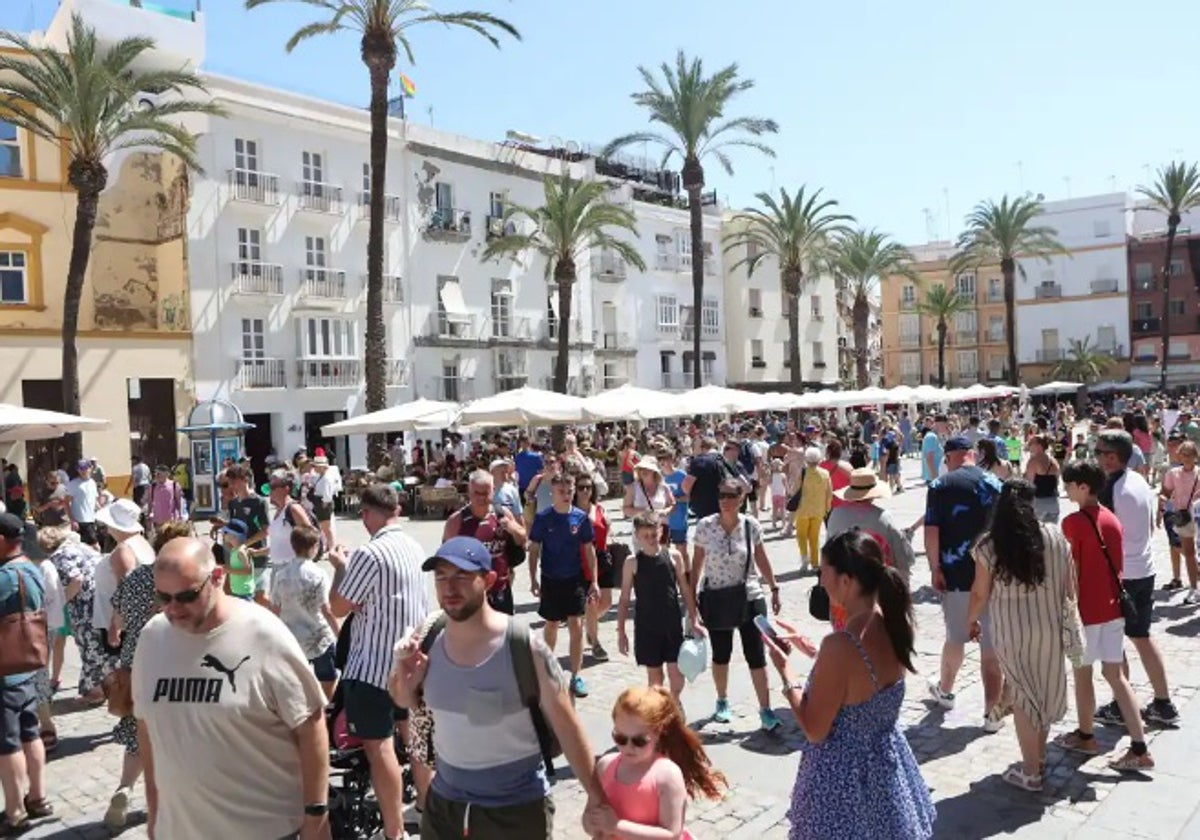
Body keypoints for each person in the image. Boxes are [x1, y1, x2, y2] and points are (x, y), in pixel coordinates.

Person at [389, 536, 604, 840]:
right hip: (445, 807)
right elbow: (404, 698)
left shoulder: (523, 646)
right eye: (441, 577)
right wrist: (404, 672)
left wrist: (597, 798)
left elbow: (568, 727)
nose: (449, 588)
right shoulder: (429, 638)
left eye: (462, 576)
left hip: (515, 811)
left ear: (489, 580)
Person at [132, 537, 331, 840]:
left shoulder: (263, 634)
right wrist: (155, 808)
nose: (173, 609)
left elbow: (311, 722)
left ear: (217, 577)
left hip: (265, 830)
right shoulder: (153, 637)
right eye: (163, 597)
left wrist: (316, 816)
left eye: (186, 596)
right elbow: (147, 728)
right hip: (181, 831)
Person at [763, 530, 935, 840]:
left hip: (842, 784)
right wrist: (812, 649)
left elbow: (815, 729)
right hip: (886, 776)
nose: (820, 581)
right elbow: (861, 677)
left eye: (824, 571)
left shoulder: (841, 646)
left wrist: (787, 674)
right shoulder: (890, 621)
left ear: (847, 580)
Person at [327, 483, 428, 840]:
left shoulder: (370, 555)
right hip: (409, 664)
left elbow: (337, 606)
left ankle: (394, 831)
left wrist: (340, 566)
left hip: (372, 667)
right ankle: (426, 812)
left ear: (368, 514)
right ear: (397, 510)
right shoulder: (414, 547)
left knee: (378, 745)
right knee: (414, 739)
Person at [967, 480, 1075, 791]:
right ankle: (1037, 758)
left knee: (1024, 697)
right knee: (1042, 692)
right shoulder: (1055, 536)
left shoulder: (989, 545)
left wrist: (970, 622)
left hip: (1012, 631)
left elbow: (979, 594)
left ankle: (1030, 772)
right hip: (1050, 626)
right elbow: (1070, 588)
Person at [1060, 460, 1155, 771]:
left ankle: (1086, 735)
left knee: (1083, 675)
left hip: (1086, 613)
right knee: (1116, 676)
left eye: (1069, 484)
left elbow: (1072, 574)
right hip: (1113, 609)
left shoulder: (1073, 523)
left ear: (1083, 487)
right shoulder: (1112, 519)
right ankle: (1140, 746)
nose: (1066, 489)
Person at [1093, 430, 1181, 727]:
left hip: (1120, 575)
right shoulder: (1139, 480)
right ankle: (1163, 702)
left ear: (1111, 457)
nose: (1095, 457)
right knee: (1142, 636)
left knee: (1114, 643)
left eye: (1099, 452)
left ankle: (1122, 704)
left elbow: (1102, 536)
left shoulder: (1111, 488)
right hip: (1144, 568)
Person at [923, 436, 1005, 728]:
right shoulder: (996, 483)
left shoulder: (940, 486)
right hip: (993, 575)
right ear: (972, 454)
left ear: (949, 457)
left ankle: (945, 690)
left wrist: (935, 568)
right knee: (991, 648)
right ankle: (991, 713)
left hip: (956, 574)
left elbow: (931, 532)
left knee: (956, 636)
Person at [691, 478, 784, 731]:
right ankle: (722, 701)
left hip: (750, 596)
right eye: (721, 495)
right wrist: (691, 607)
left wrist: (774, 587)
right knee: (721, 655)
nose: (725, 500)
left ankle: (765, 709)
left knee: (757, 654)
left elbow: (762, 558)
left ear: (741, 498)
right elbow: (696, 566)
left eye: (731, 495)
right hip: (717, 597)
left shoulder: (750, 525)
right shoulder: (705, 526)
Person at [588, 686, 726, 839]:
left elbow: (671, 834)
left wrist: (617, 826)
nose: (628, 747)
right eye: (620, 738)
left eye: (639, 741)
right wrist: (594, 824)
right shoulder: (605, 766)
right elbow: (588, 818)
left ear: (658, 732)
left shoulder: (666, 775)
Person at [96, 498, 156, 830]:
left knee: (137, 728)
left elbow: (116, 622)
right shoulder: (171, 580)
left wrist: (119, 633)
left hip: (135, 656)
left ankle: (124, 788)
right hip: (168, 656)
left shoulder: (132, 578)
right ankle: (162, 800)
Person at [617, 512, 705, 706]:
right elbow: (624, 599)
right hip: (647, 626)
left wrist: (694, 619)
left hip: (671, 623)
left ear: (660, 531)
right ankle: (660, 711)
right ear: (637, 535)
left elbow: (685, 590)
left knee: (677, 675)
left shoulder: (673, 557)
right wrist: (621, 631)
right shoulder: (632, 562)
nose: (650, 539)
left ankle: (674, 702)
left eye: (653, 534)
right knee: (655, 679)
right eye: (645, 535)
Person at [0, 512, 51, 834]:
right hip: (29, 663)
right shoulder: (32, 569)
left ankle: (16, 810)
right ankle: (39, 797)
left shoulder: (5, 575)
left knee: (8, 743)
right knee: (31, 733)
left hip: (5, 669)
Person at [528, 472, 599, 698]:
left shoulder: (580, 518)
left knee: (576, 626)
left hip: (574, 579)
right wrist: (532, 579)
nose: (566, 495)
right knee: (550, 625)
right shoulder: (543, 518)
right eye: (562, 492)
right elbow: (534, 549)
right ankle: (549, 671)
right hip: (550, 578)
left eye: (570, 491)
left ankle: (575, 675)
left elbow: (590, 550)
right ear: (553, 493)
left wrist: (594, 581)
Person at [271, 525, 339, 701]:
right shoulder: (319, 574)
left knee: (295, 679)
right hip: (318, 636)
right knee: (328, 678)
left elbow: (275, 608)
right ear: (314, 547)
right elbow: (326, 610)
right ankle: (325, 710)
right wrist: (339, 633)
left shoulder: (281, 575)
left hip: (292, 636)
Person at [443, 469, 525, 615]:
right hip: (469, 593)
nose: (481, 498)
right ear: (469, 492)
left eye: (485, 493)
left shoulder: (502, 515)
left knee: (503, 636)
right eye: (477, 493)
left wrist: (513, 529)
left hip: (500, 589)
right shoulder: (457, 521)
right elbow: (445, 561)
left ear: (493, 491)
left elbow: (523, 539)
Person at [42, 527, 109, 704]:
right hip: (102, 599)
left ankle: (96, 692)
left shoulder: (60, 555)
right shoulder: (81, 548)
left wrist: (62, 599)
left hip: (86, 606)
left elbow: (76, 579)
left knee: (89, 647)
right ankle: (101, 688)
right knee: (99, 647)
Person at [826, 468, 915, 586]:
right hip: (875, 584)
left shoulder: (836, 514)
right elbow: (900, 555)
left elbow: (828, 550)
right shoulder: (883, 517)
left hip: (843, 583)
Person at [575, 474, 613, 663]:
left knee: (606, 602)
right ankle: (595, 642)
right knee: (592, 602)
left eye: (588, 487)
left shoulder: (599, 509)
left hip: (602, 558)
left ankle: (588, 625)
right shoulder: (571, 512)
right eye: (581, 487)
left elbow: (606, 529)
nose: (585, 491)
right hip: (582, 561)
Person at [1158, 440, 1200, 605]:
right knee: (1189, 553)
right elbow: (1165, 492)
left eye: (1190, 455)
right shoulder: (1173, 473)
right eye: (1183, 454)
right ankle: (1194, 588)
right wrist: (1161, 501)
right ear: (1179, 455)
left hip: (1199, 517)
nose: (1187, 458)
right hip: (1183, 517)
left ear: (1195, 456)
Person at [792, 448, 833, 573]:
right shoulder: (825, 473)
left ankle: (805, 559)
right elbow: (829, 492)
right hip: (819, 510)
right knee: (814, 537)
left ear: (806, 459)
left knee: (801, 536)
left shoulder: (803, 473)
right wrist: (827, 508)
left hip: (803, 509)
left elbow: (795, 490)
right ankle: (815, 563)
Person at [659, 450, 691, 569]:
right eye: (661, 459)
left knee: (682, 551)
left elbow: (689, 496)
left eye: (666, 459)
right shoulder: (658, 477)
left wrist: (673, 500)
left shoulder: (681, 475)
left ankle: (687, 576)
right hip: (663, 521)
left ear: (672, 459)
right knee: (663, 552)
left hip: (679, 519)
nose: (664, 462)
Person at [682, 437, 723, 520]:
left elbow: (686, 487)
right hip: (726, 505)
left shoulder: (700, 461)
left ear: (702, 447)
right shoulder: (725, 460)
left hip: (706, 509)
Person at [1025, 435, 1061, 523]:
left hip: (1038, 502)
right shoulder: (1054, 461)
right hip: (1053, 501)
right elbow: (1057, 481)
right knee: (1052, 533)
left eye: (1031, 443)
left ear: (1039, 446)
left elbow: (1029, 483)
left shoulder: (1033, 461)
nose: (1028, 445)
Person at [220, 519, 257, 601]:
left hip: (244, 592)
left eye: (226, 532)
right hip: (238, 590)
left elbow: (248, 571)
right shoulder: (234, 550)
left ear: (234, 535)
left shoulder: (241, 552)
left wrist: (229, 570)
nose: (223, 535)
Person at [65, 460, 99, 547]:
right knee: (96, 547)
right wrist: (72, 520)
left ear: (90, 468)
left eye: (85, 468)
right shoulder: (73, 484)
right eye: (80, 468)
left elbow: (94, 501)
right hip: (80, 521)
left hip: (92, 519)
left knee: (84, 547)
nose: (83, 471)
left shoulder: (92, 483)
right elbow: (66, 503)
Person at [145, 465, 184, 535]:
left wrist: (180, 515)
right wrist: (149, 516)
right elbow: (150, 502)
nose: (157, 476)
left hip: (171, 520)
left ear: (166, 474)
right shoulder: (153, 486)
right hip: (158, 520)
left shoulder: (174, 485)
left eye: (159, 474)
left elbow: (179, 501)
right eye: (156, 474)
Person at [921, 415, 947, 485]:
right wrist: (934, 478)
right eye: (945, 426)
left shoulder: (935, 436)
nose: (946, 429)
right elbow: (929, 459)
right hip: (934, 476)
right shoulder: (931, 437)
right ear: (940, 424)